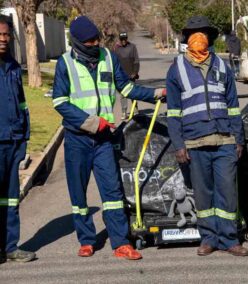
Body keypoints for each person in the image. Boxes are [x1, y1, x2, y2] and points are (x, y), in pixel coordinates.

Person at [52, 16, 165, 260]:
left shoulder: (108, 58)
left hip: (104, 140)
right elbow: (60, 102)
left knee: (112, 192)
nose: (95, 44)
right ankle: (86, 240)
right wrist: (92, 122)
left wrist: (156, 93)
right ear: (78, 42)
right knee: (78, 194)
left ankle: (121, 243)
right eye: (89, 41)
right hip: (77, 139)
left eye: (97, 39)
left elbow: (126, 88)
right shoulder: (65, 64)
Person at [166, 16, 248, 257]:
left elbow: (233, 107)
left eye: (203, 33)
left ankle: (230, 239)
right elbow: (173, 113)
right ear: (187, 40)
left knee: (227, 192)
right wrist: (179, 145)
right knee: (203, 194)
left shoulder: (222, 67)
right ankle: (209, 238)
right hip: (194, 143)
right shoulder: (176, 69)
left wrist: (239, 138)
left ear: (210, 39)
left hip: (225, 141)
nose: (198, 38)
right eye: (193, 34)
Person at [0, 16, 36, 263]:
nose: (3, 39)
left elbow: (22, 103)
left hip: (13, 140)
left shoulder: (13, 65)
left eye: (6, 35)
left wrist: (25, 135)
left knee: (11, 198)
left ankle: (10, 246)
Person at [114, 32, 140, 119]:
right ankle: (124, 112)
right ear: (120, 40)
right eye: (122, 39)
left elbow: (136, 61)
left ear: (127, 38)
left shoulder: (132, 47)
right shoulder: (117, 49)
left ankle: (136, 111)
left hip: (131, 75)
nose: (123, 41)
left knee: (133, 93)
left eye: (125, 39)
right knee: (123, 95)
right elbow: (115, 62)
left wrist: (135, 72)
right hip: (121, 77)